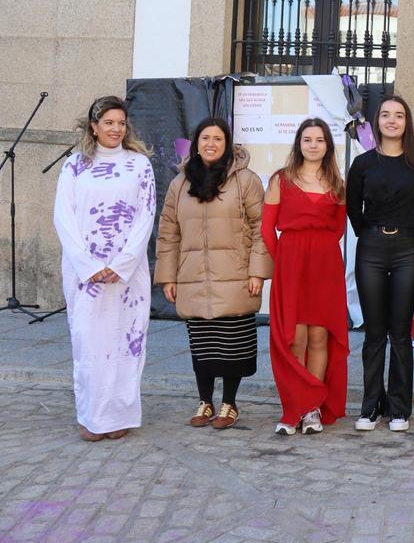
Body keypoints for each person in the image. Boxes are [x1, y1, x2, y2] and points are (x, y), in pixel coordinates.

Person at [155, 117, 271, 430]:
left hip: (235, 275)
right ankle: (205, 401)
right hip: (193, 275)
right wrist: (169, 276)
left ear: (227, 143)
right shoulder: (181, 183)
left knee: (232, 344)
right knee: (203, 344)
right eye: (205, 138)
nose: (211, 144)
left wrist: (257, 271)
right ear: (196, 143)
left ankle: (229, 404)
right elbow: (168, 232)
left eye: (218, 139)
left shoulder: (245, 181)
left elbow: (262, 228)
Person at [53, 96, 156, 441]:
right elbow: (63, 218)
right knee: (89, 341)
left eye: (121, 123)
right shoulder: (73, 166)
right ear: (94, 126)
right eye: (109, 122)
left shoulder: (140, 165)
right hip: (86, 276)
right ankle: (92, 416)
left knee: (126, 341)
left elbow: (146, 216)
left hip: (128, 273)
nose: (116, 129)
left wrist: (122, 263)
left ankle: (119, 415)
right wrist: (89, 265)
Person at [346, 95, 414, 433]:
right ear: (377, 121)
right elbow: (353, 207)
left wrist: (408, 235)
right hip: (370, 247)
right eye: (386, 115)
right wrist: (371, 233)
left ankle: (399, 408)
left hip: (407, 249)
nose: (392, 121)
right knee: (374, 332)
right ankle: (370, 407)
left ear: (407, 122)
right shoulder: (364, 163)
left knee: (400, 332)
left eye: (399, 115)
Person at [262, 118, 349, 436]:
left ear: (328, 145)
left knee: (318, 337)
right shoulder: (280, 179)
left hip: (325, 266)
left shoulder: (338, 184)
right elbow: (267, 228)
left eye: (320, 140)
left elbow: (338, 229)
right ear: (299, 144)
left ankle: (312, 408)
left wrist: (318, 250)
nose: (313, 145)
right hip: (292, 265)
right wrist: (285, 261)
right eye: (308, 139)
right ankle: (293, 407)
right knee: (294, 338)